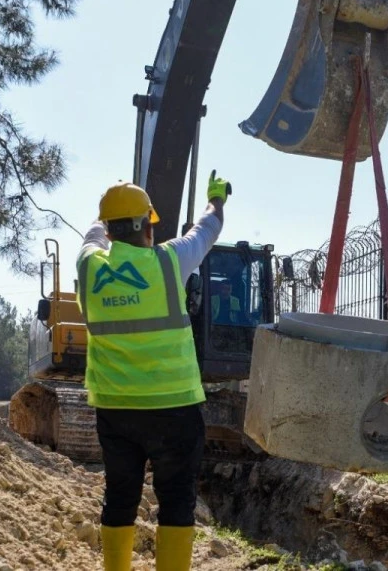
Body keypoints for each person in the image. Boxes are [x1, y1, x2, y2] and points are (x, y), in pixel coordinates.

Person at [77, 170, 231, 571]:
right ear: (148, 226)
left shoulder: (88, 268)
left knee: (120, 497)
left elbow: (91, 236)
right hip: (174, 407)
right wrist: (216, 198)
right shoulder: (169, 261)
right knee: (177, 501)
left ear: (109, 231)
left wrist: (106, 210)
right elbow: (207, 227)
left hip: (116, 410)